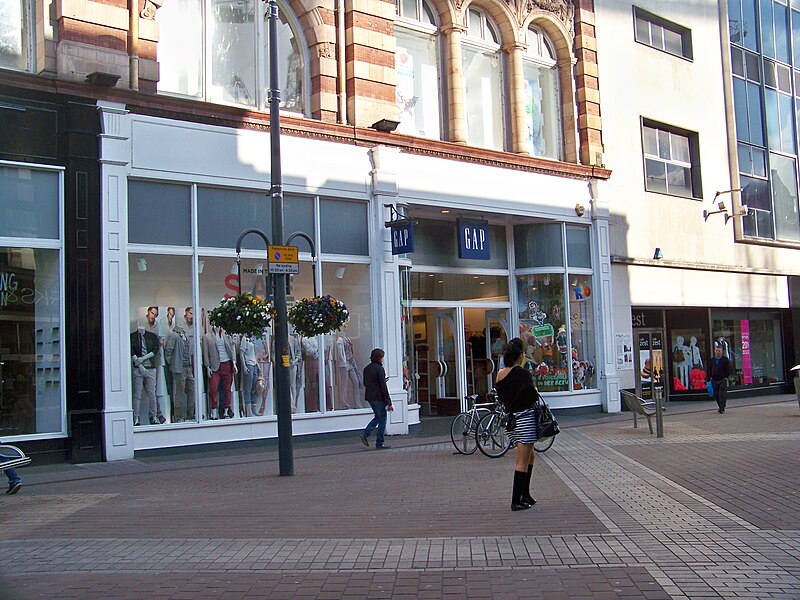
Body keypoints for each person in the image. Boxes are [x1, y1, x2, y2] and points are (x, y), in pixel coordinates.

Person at [495, 337, 539, 511]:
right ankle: (516, 500)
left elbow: (501, 395)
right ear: (519, 355)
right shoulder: (522, 373)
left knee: (531, 455)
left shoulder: (500, 373)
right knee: (522, 460)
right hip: (525, 419)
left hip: (512, 420)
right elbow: (532, 397)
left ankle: (525, 493)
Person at [359, 348, 393, 449]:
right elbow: (383, 387)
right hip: (379, 397)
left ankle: (366, 434)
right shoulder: (379, 369)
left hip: (370, 396)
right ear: (380, 358)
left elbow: (365, 383)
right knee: (382, 419)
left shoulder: (366, 369)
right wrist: (389, 401)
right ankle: (378, 442)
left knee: (378, 417)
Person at [710, 343, 731, 414]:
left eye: (719, 350)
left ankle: (722, 408)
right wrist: (709, 377)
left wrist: (726, 376)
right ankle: (720, 406)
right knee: (716, 394)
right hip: (714, 379)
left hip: (722, 379)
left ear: (721, 351)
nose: (718, 352)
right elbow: (710, 368)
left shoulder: (725, 359)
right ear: (715, 351)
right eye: (716, 350)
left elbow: (728, 369)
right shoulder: (712, 360)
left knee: (722, 394)